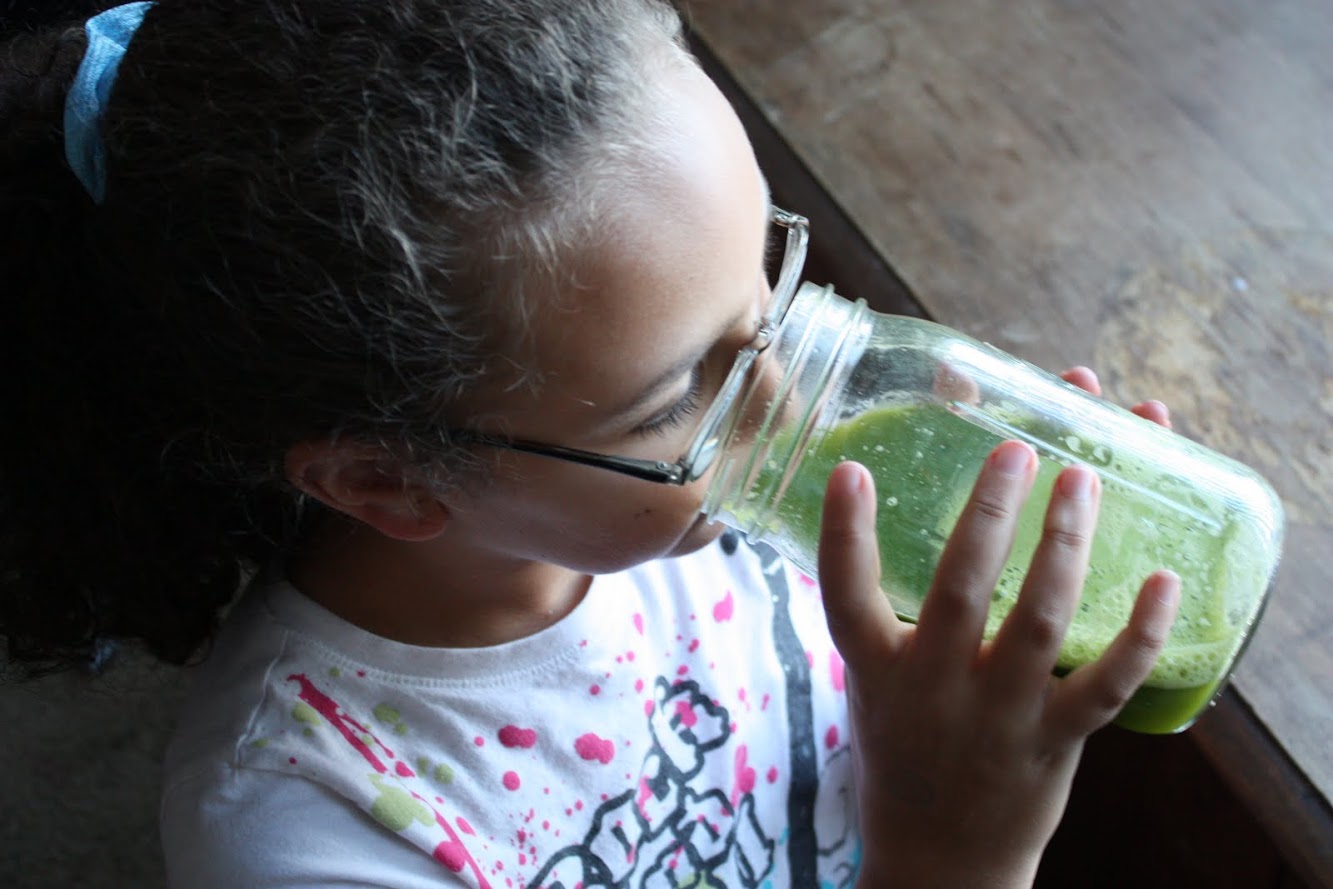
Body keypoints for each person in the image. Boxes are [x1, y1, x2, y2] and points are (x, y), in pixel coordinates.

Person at [0, 0, 1181, 886]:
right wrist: (952, 856)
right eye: (683, 392)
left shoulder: (715, 503)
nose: (788, 397)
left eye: (764, 279)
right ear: (386, 480)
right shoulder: (307, 825)